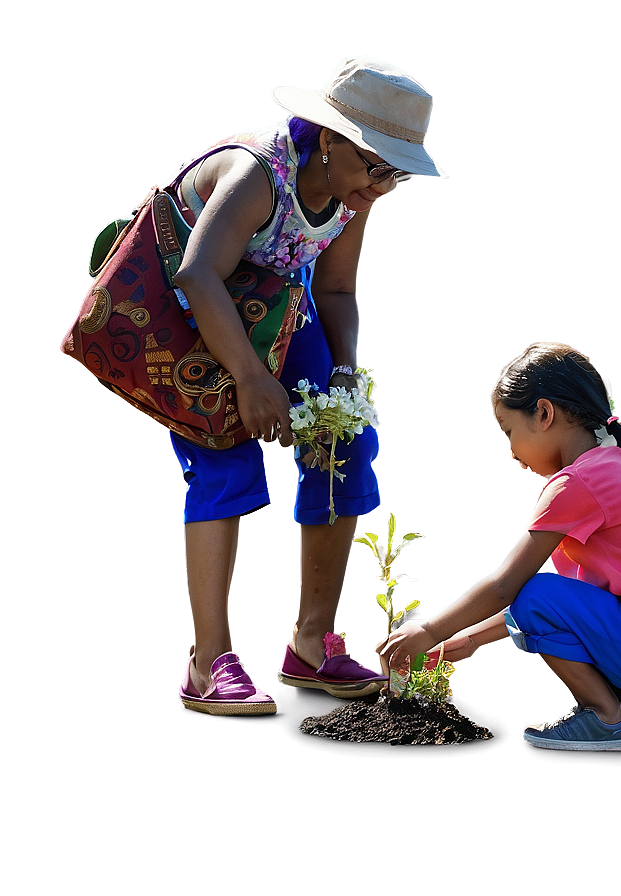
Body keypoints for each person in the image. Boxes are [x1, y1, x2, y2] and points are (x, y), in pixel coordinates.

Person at [170, 54, 448, 715]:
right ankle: (209, 665)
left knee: (347, 438)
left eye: (396, 173)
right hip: (194, 318)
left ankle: (312, 645)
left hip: (272, 313)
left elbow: (339, 288)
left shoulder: (354, 198)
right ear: (328, 139)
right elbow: (197, 274)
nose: (383, 186)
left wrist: (344, 371)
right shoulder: (255, 174)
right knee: (224, 458)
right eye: (375, 166)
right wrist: (248, 378)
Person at [379, 343, 621, 750]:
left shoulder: (577, 484)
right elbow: (573, 603)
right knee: (549, 595)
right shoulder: (611, 466)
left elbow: (508, 586)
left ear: (543, 414)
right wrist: (473, 639)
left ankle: (606, 717)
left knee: (537, 592)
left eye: (508, 431)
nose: (511, 452)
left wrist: (427, 629)